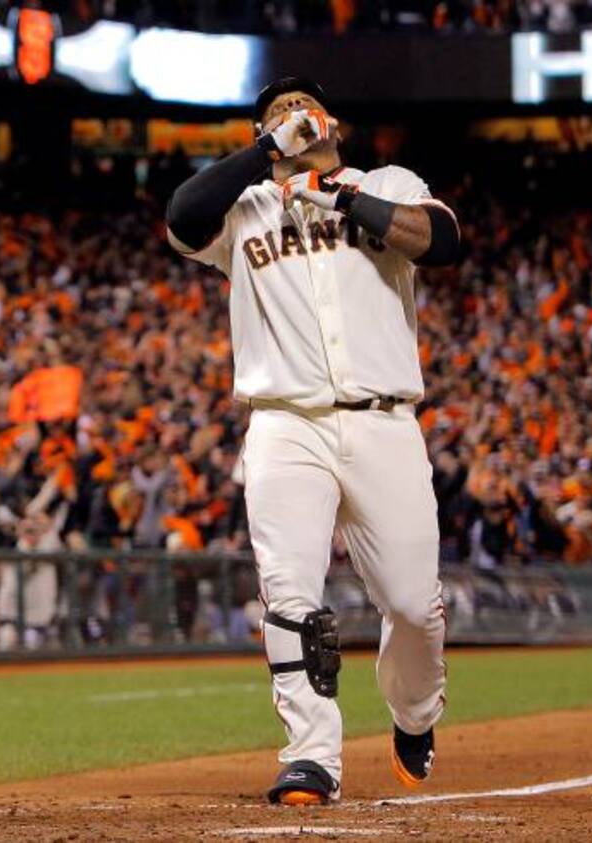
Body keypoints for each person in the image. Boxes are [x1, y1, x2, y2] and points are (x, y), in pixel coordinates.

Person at [166, 76, 461, 805]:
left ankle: (415, 711)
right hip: (284, 421)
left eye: (303, 108)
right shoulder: (246, 206)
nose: (293, 118)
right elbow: (181, 218)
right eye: (276, 113)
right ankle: (311, 755)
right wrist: (267, 153)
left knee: (413, 604)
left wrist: (340, 198)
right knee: (291, 591)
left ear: (335, 121)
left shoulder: (384, 182)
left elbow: (442, 241)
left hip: (383, 419)